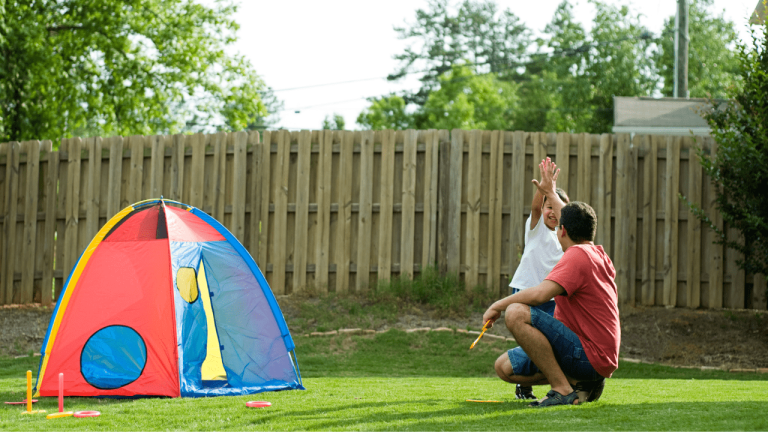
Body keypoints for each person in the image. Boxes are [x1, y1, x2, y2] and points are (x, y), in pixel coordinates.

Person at [482, 159, 620, 407]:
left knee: (515, 312)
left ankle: (562, 389)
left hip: (588, 356)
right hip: (593, 358)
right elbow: (565, 215)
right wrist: (548, 190)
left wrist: (498, 305)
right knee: (505, 367)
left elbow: (539, 295)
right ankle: (580, 384)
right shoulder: (597, 253)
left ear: (563, 230)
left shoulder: (577, 256)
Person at [507, 157, 569, 400]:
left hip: (550, 299)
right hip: (524, 293)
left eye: (557, 207)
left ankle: (553, 381)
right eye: (548, 207)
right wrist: (544, 189)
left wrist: (553, 196)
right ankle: (524, 385)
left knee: (545, 344)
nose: (552, 212)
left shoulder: (567, 238)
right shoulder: (536, 229)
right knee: (530, 340)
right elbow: (535, 208)